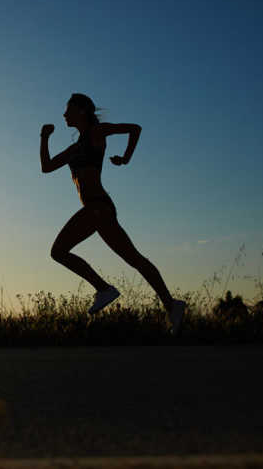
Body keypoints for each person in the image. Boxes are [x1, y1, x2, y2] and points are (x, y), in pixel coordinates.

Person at [40, 93, 186, 335]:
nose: (64, 115)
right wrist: (44, 138)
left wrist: (126, 158)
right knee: (135, 259)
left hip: (97, 206)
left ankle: (104, 289)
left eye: (69, 110)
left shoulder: (96, 133)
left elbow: (134, 129)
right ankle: (172, 305)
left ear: (83, 111)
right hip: (100, 210)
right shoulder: (74, 147)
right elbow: (46, 167)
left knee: (58, 251)